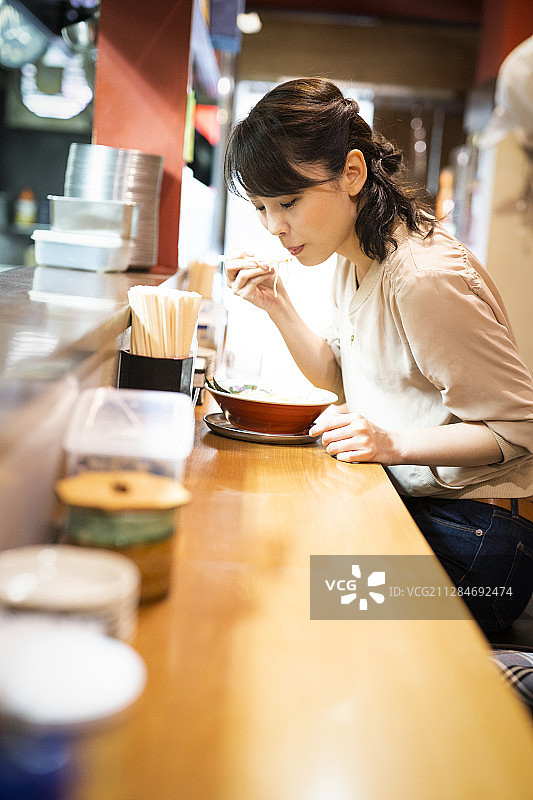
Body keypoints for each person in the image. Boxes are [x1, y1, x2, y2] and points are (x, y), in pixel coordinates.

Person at [223, 76, 533, 634]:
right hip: (426, 514)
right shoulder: (353, 255)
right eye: (263, 208)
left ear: (353, 172)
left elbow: (522, 429)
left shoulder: (421, 277)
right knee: (266, 569)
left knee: (294, 605)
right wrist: (276, 304)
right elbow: (339, 377)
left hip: (483, 545)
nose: (275, 227)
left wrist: (390, 443)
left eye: (288, 202)